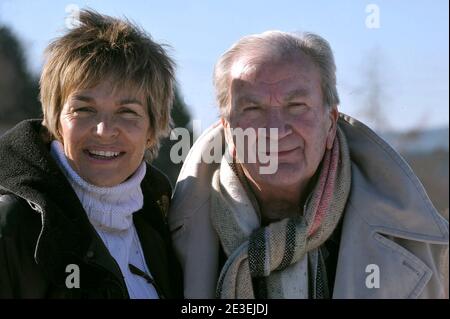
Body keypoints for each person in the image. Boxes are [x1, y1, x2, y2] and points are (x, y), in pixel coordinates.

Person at [168, 31, 449, 299]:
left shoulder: (430, 250)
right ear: (228, 131)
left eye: (297, 105)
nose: (276, 130)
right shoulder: (157, 242)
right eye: (253, 109)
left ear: (330, 123)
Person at [0, 10, 182, 299]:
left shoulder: (164, 226)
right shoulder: (11, 225)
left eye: (127, 112)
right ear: (54, 120)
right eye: (84, 109)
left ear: (152, 129)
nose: (104, 130)